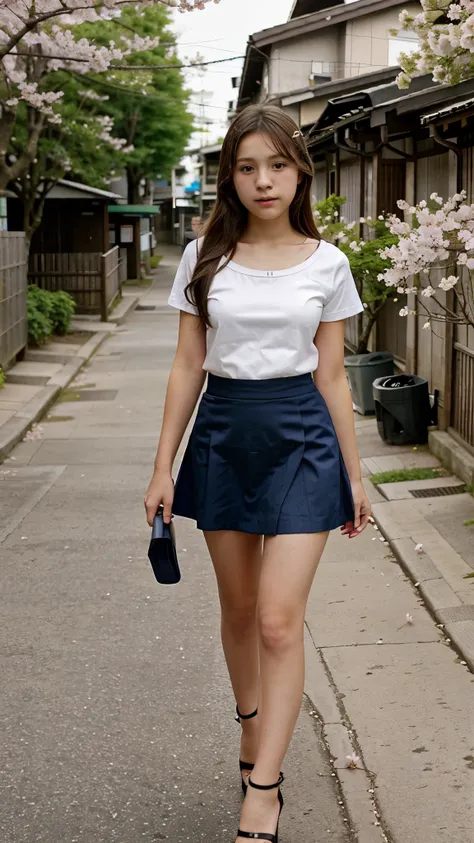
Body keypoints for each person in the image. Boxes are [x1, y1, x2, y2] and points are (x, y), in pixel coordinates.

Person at [144, 104, 371, 843]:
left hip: (304, 439)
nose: (262, 180)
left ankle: (264, 791)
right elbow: (186, 365)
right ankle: (252, 726)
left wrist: (357, 475)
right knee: (239, 610)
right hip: (222, 435)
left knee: (278, 619)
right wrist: (163, 466)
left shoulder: (328, 262)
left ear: (299, 170)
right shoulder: (203, 255)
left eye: (276, 164)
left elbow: (334, 376)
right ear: (229, 177)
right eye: (247, 167)